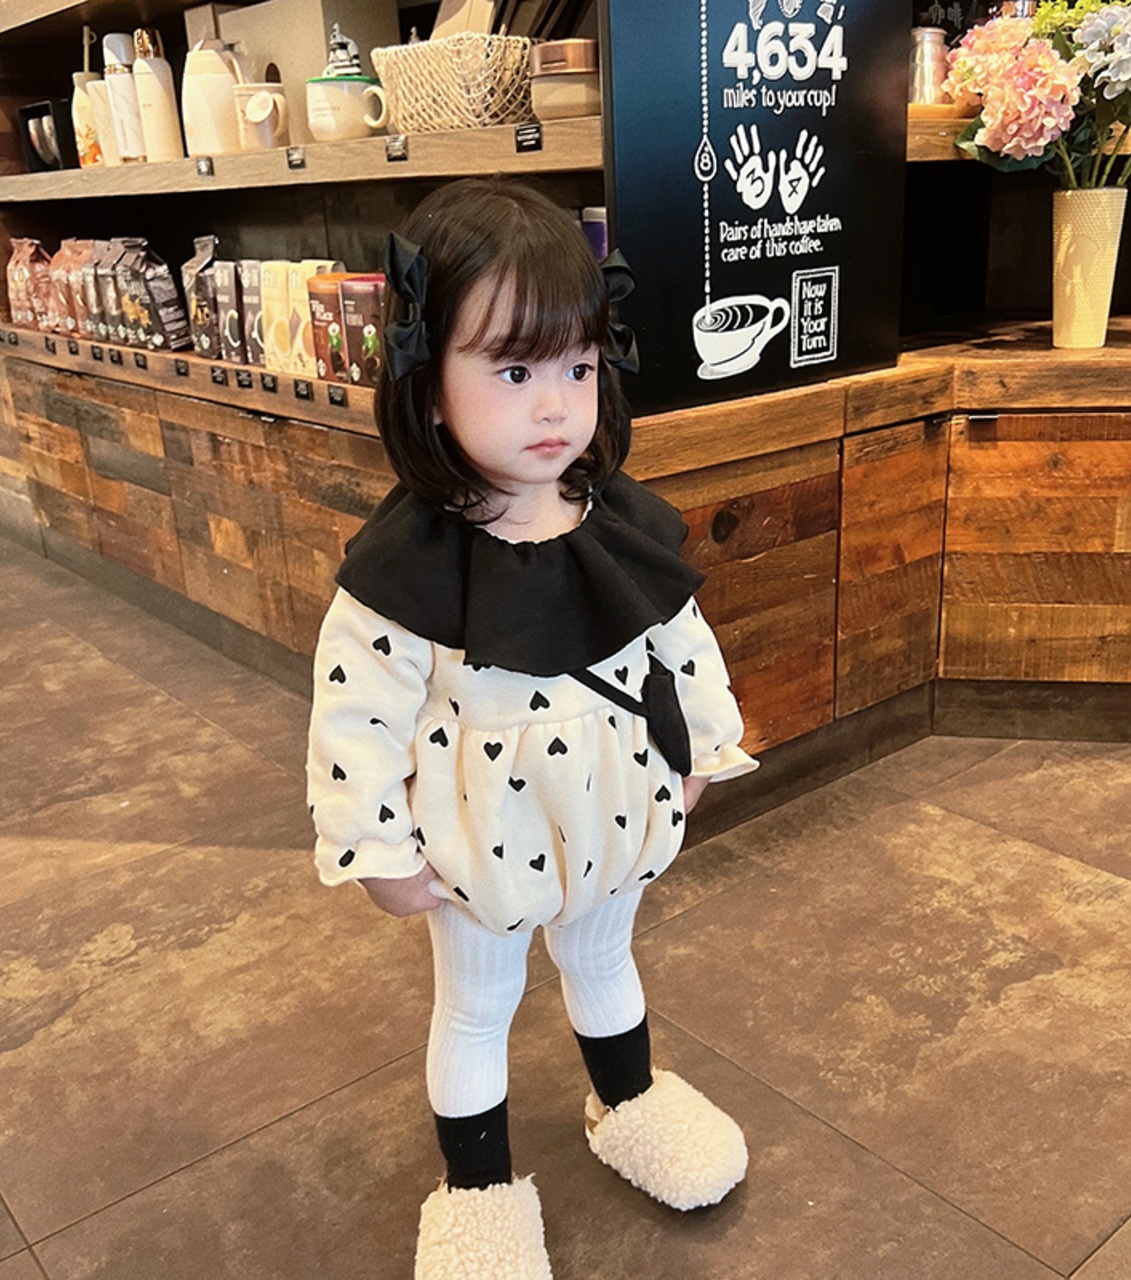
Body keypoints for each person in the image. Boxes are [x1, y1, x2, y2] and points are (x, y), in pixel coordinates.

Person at [306, 177, 758, 1279]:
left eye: (577, 368)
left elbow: (682, 643)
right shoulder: (405, 568)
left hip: (615, 820)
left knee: (605, 962)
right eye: (513, 371)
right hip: (478, 849)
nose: (555, 405)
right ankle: (477, 1194)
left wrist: (700, 751)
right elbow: (354, 714)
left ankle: (630, 1102)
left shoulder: (620, 522)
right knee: (477, 1006)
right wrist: (376, 849)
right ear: (427, 381)